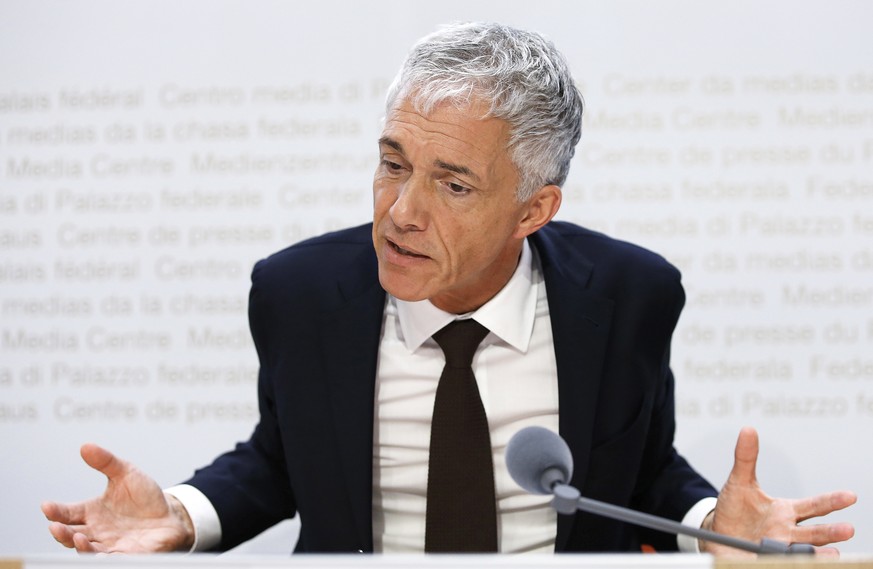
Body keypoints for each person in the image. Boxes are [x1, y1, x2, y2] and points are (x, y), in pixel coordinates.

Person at [41, 22, 856, 555]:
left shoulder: (631, 293)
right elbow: (283, 460)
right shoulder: (297, 291)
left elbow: (638, 469)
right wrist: (181, 515)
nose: (399, 212)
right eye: (392, 163)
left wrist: (714, 523)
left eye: (453, 185)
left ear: (532, 209)